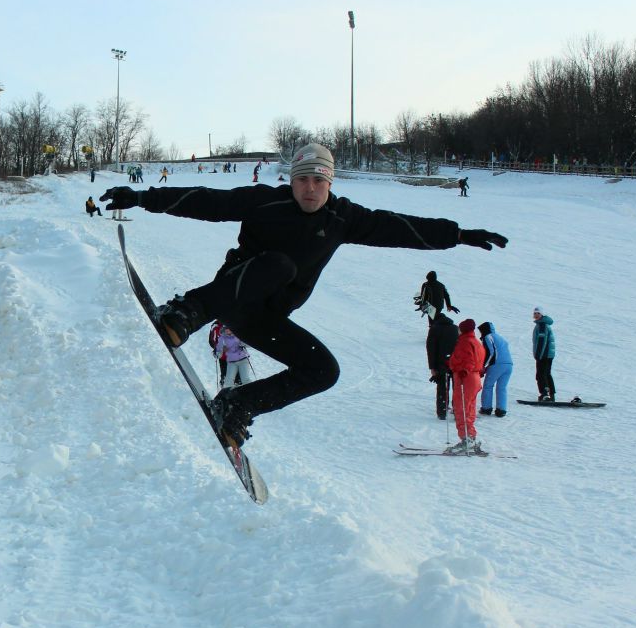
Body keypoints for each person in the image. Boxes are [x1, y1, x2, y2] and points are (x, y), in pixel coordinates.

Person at [99, 142, 508, 447]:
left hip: (265, 318)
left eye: (319, 180)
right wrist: (142, 197)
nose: (310, 189)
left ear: (330, 182)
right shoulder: (266, 202)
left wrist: (458, 235)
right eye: (302, 179)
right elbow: (208, 200)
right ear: (290, 180)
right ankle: (188, 311)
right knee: (279, 265)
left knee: (324, 371)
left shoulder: (343, 218)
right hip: (232, 295)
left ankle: (237, 405)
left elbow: (400, 226)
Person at [446, 318, 486, 453]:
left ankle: (466, 439)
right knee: (469, 408)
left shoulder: (464, 342)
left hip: (465, 378)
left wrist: (462, 369)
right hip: (474, 378)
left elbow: (468, 359)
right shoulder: (476, 342)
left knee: (461, 407)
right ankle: (471, 437)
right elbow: (478, 358)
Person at [425, 307, 459, 419]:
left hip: (441, 364)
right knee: (456, 387)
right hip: (455, 363)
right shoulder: (455, 328)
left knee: (442, 388)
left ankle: (442, 412)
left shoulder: (434, 329)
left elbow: (431, 349)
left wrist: (432, 367)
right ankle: (457, 409)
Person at [477, 321, 513, 416]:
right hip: (509, 364)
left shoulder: (488, 337)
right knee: (502, 387)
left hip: (497, 364)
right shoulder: (500, 337)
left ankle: (486, 408)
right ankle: (501, 410)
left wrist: (483, 365)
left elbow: (490, 352)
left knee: (488, 386)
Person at [532, 306, 556, 401]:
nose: (536, 315)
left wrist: (538, 355)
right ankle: (551, 394)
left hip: (544, 354)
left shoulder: (542, 325)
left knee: (541, 374)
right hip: (548, 354)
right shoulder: (543, 324)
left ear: (542, 314)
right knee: (546, 373)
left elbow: (542, 342)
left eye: (538, 313)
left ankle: (545, 394)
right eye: (535, 313)